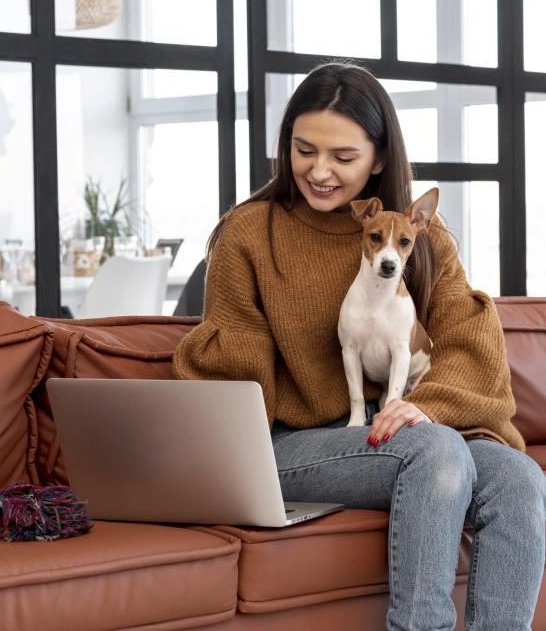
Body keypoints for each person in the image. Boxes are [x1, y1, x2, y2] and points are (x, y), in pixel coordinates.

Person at [172, 62, 546, 631]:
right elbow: (231, 370)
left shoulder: (420, 237)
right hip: (293, 444)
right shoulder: (249, 233)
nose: (319, 171)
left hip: (398, 429)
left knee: (520, 478)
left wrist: (425, 407)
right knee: (437, 450)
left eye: (343, 158)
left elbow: (469, 340)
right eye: (303, 150)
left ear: (378, 157)